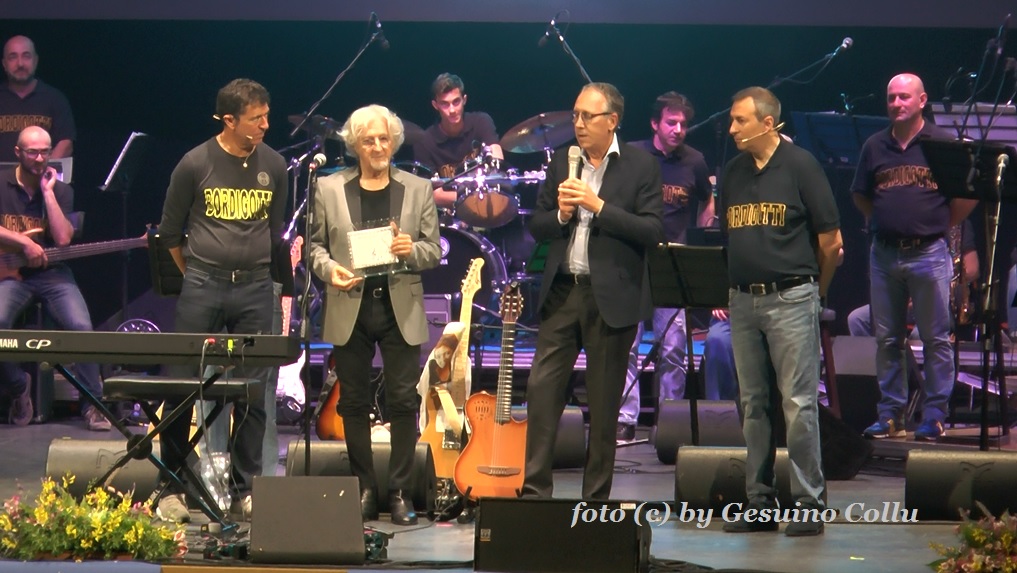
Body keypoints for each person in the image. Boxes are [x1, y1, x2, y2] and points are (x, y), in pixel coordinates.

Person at [521, 82, 663, 499]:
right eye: (576, 115)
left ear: (612, 121)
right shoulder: (563, 161)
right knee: (541, 392)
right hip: (563, 293)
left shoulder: (640, 165)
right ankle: (534, 494)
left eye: (588, 116)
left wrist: (597, 206)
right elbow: (537, 225)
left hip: (611, 300)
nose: (579, 124)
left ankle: (595, 502)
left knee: (603, 408)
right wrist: (561, 215)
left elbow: (652, 230)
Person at [156, 78, 289, 524]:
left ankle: (245, 489)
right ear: (229, 120)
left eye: (267, 116)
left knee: (252, 391)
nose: (265, 125)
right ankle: (171, 486)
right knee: (181, 385)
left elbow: (274, 232)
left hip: (255, 288)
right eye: (256, 119)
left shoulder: (275, 165)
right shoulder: (195, 163)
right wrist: (198, 275)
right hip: (203, 284)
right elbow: (170, 235)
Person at [309, 104, 441, 525]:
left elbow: (434, 250)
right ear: (355, 145)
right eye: (369, 140)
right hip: (351, 303)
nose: (379, 147)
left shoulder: (418, 188)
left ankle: (400, 491)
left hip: (399, 303)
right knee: (353, 402)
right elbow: (314, 247)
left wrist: (412, 249)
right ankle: (364, 488)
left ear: (394, 142)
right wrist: (330, 269)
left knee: (403, 400)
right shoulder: (328, 188)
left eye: (385, 139)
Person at [720, 86, 842, 536]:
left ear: (767, 123)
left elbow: (831, 242)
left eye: (740, 121)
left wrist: (815, 294)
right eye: (732, 120)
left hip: (791, 297)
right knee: (753, 404)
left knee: (797, 403)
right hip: (742, 300)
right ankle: (759, 502)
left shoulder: (801, 165)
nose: (732, 129)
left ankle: (809, 503)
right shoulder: (732, 172)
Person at [852, 73, 978, 442]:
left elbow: (967, 195)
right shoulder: (875, 145)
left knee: (935, 339)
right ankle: (891, 415)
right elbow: (860, 194)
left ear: (922, 101)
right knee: (887, 339)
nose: (896, 103)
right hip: (884, 254)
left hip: (928, 253)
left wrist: (938, 223)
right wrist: (883, 220)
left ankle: (934, 415)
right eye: (891, 97)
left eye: (904, 97)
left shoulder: (942, 143)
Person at [618, 92, 714, 441]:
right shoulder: (633, 154)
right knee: (626, 344)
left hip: (672, 261)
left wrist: (701, 238)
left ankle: (669, 419)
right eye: (671, 123)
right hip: (634, 258)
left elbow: (707, 198)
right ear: (654, 124)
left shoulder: (695, 161)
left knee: (673, 347)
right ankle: (625, 418)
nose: (678, 130)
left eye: (683, 124)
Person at [0, 125, 107, 430]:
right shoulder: (2, 183)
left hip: (53, 274)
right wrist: (23, 242)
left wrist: (48, 193)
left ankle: (93, 404)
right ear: (18, 152)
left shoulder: (61, 190)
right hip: (10, 272)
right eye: (32, 152)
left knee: (81, 327)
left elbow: (62, 238)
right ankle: (19, 387)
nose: (39, 159)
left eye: (45, 152)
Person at [847, 219, 979, 338]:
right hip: (905, 300)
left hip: (941, 303)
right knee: (857, 320)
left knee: (918, 334)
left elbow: (972, 270)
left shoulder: (957, 223)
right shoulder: (904, 222)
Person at [412, 73, 502, 209]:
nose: (452, 110)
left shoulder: (481, 122)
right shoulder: (424, 141)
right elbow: (433, 194)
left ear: (464, 100)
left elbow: (498, 162)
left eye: (456, 102)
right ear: (435, 105)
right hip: (451, 212)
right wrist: (472, 198)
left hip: (487, 203)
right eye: (445, 104)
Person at [0, 36, 75, 162]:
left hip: (43, 174)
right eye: (13, 57)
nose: (20, 64)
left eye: (26, 56)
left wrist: (43, 169)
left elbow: (66, 143)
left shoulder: (55, 99)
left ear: (36, 61)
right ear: (4, 64)